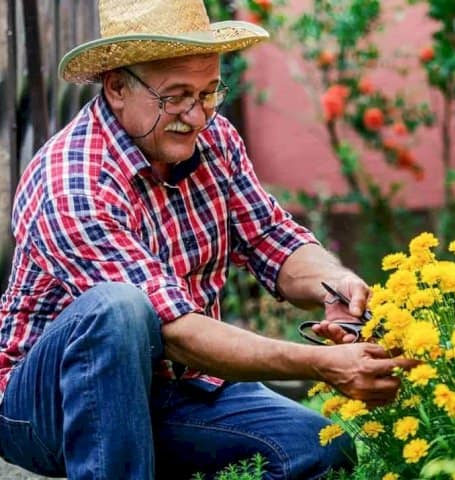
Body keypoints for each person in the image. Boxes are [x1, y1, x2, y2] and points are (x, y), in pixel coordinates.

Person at [0, 1, 414, 478]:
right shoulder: (71, 181)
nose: (196, 116)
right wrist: (319, 363)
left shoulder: (213, 139)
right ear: (117, 87)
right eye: (176, 97)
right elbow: (175, 329)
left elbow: (272, 238)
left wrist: (336, 284)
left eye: (209, 92)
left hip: (179, 388)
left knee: (321, 452)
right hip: (46, 407)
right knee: (118, 308)